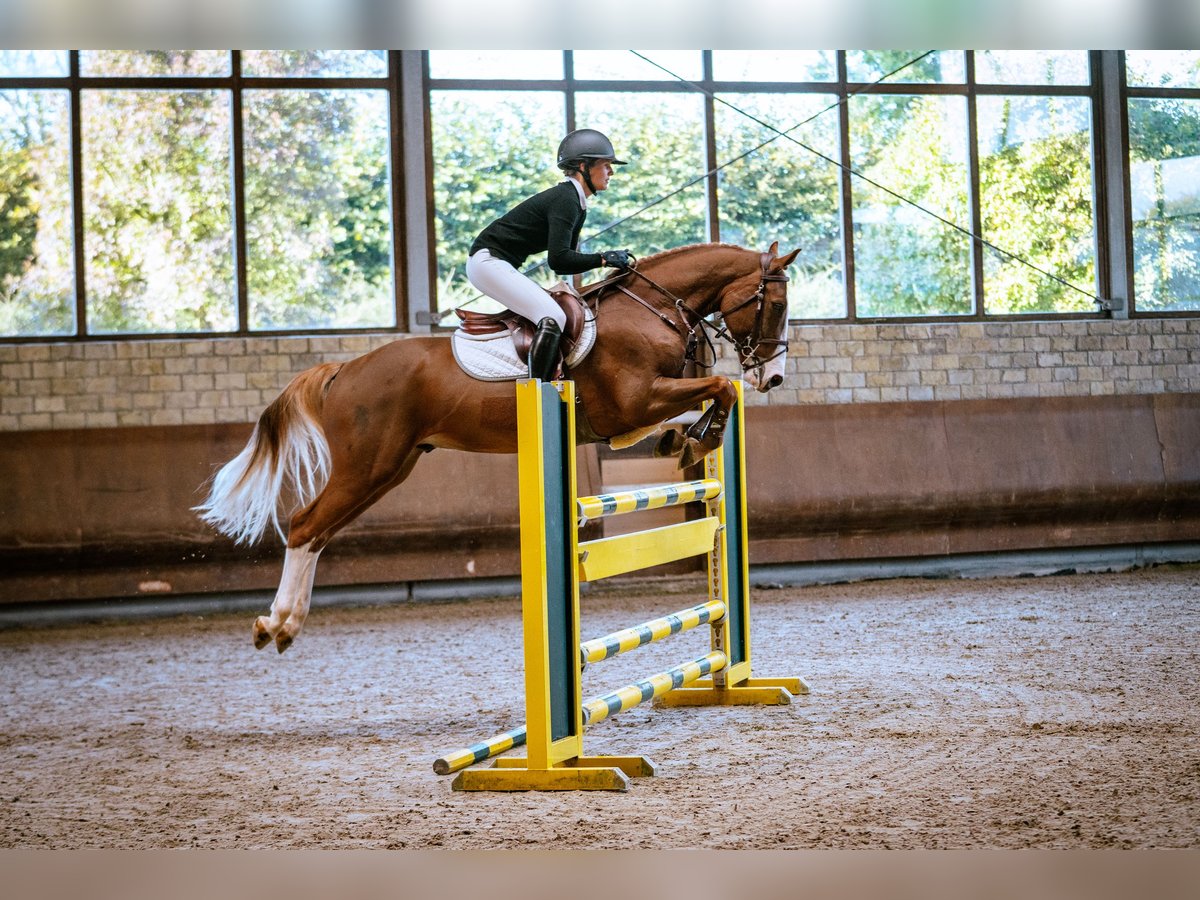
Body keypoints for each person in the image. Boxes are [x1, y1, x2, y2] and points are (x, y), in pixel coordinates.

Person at [466, 128, 634, 380]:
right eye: (606, 165)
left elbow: (565, 263)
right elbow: (558, 259)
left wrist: (603, 260)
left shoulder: (576, 202)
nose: (611, 172)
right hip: (488, 262)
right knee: (552, 315)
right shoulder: (565, 199)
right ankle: (539, 391)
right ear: (583, 166)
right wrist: (602, 258)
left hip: (496, 262)